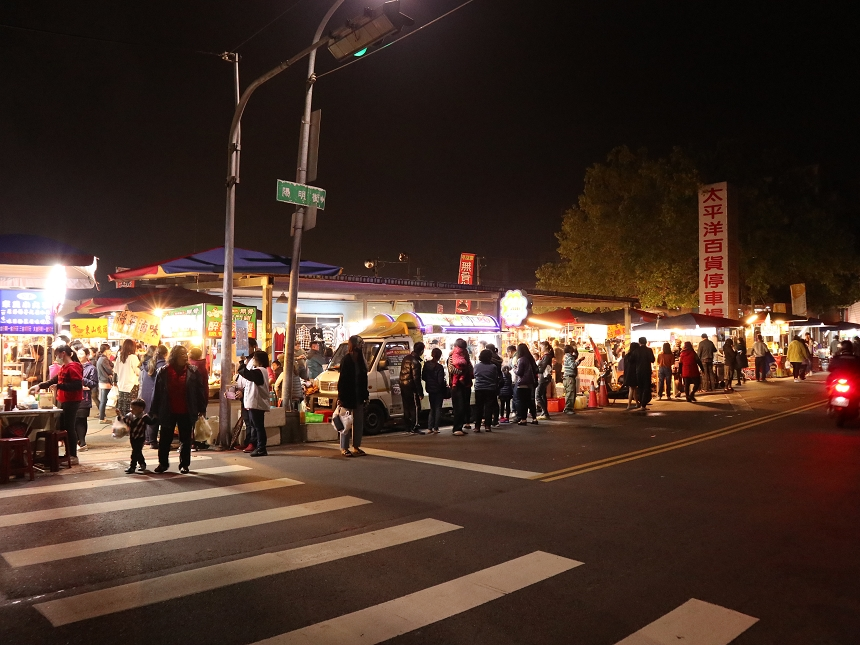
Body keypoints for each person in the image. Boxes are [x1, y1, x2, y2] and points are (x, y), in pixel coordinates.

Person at [150, 345, 208, 474]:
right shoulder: (163, 371)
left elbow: (200, 391)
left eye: (185, 353)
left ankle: (184, 465)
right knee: (165, 439)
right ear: (174, 356)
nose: (185, 356)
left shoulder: (193, 371)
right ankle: (163, 464)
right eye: (182, 354)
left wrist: (202, 408)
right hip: (168, 411)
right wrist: (153, 411)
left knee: (186, 440)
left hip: (187, 411)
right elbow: (157, 393)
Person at [32, 345, 83, 465]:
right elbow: (55, 379)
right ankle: (67, 454)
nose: (57, 358)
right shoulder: (64, 367)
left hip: (72, 401)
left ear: (63, 353)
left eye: (57, 355)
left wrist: (59, 386)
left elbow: (77, 385)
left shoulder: (73, 367)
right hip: (64, 400)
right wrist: (40, 385)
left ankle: (73, 456)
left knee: (69, 427)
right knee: (64, 426)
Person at [337, 335, 369, 456]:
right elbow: (342, 379)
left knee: (358, 422)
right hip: (348, 395)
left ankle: (356, 446)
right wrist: (340, 397)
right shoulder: (346, 359)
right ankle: (344, 447)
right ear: (354, 345)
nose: (361, 347)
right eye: (359, 344)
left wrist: (366, 395)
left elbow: (364, 379)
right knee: (346, 422)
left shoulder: (361, 360)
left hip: (359, 396)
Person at [237, 350, 271, 457]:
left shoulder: (260, 371)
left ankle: (261, 448)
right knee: (257, 426)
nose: (253, 361)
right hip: (256, 403)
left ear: (259, 360)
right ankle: (260, 447)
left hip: (257, 403)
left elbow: (245, 373)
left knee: (258, 427)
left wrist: (242, 363)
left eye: (254, 359)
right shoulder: (261, 371)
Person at [140, 344, 168, 447]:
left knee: (149, 416)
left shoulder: (150, 363)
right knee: (156, 418)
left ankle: (148, 439)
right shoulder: (162, 366)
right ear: (165, 354)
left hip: (146, 394)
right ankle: (153, 441)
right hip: (155, 395)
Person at [117, 398, 152, 473]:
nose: (131, 410)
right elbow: (124, 421)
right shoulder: (129, 415)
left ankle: (132, 467)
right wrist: (119, 415)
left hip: (140, 437)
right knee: (137, 451)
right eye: (131, 408)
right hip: (132, 437)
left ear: (141, 409)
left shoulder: (144, 417)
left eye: (134, 408)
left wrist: (156, 417)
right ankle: (142, 463)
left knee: (135, 452)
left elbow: (151, 422)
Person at [447, 338, 474, 436]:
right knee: (459, 407)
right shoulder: (451, 357)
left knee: (463, 406)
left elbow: (470, 367)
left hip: (465, 385)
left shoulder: (466, 356)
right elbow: (452, 370)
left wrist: (467, 370)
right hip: (457, 386)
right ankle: (457, 428)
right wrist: (463, 371)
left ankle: (459, 427)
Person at [399, 341, 426, 434]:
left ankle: (407, 427)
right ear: (421, 351)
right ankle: (415, 426)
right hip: (411, 387)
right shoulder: (416, 362)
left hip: (403, 385)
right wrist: (420, 392)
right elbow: (416, 379)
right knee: (415, 407)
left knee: (406, 407)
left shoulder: (406, 358)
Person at [76, 348, 98, 451]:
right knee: (75, 420)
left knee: (81, 419)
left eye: (81, 354)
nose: (79, 356)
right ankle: (79, 441)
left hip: (84, 398)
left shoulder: (91, 368)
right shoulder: (75, 366)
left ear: (87, 355)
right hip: (74, 397)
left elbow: (93, 383)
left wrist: (81, 379)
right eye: (78, 353)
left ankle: (83, 442)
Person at [473, 349, 500, 432]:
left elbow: (474, 375)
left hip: (479, 388)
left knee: (479, 407)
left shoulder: (477, 366)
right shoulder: (493, 367)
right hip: (490, 389)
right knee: (488, 408)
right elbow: (495, 377)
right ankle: (487, 426)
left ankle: (477, 426)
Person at [421, 347, 447, 434]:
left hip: (430, 389)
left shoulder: (426, 364)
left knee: (432, 408)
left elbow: (423, 377)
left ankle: (429, 427)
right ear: (439, 356)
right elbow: (440, 381)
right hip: (438, 390)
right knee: (438, 408)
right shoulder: (439, 367)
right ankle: (436, 428)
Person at [514, 343, 539, 425]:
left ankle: (523, 419)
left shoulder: (521, 360)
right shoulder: (530, 359)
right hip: (530, 383)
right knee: (530, 401)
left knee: (522, 402)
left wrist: (514, 369)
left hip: (522, 383)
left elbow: (519, 372)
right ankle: (534, 418)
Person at [114, 339, 140, 417]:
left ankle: (123, 425)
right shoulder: (133, 357)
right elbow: (138, 372)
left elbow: (116, 370)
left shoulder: (119, 357)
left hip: (121, 386)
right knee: (131, 409)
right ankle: (130, 426)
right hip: (131, 387)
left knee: (122, 408)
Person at [536, 341, 554, 420]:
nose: (541, 349)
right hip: (545, 377)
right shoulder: (547, 356)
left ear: (546, 346)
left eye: (542, 347)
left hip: (543, 377)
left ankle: (545, 413)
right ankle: (544, 412)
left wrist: (536, 368)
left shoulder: (547, 356)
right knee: (543, 395)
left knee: (538, 395)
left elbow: (542, 368)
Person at [636, 337, 655, 410]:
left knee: (640, 387)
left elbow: (632, 360)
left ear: (639, 342)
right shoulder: (649, 350)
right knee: (646, 387)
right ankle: (643, 405)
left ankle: (641, 403)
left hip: (638, 371)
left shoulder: (636, 350)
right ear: (646, 342)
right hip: (646, 371)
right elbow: (652, 360)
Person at [96, 343, 114, 421]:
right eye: (109, 349)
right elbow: (109, 369)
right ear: (105, 350)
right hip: (105, 381)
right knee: (103, 400)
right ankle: (102, 417)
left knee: (103, 400)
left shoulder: (101, 358)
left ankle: (102, 417)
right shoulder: (104, 359)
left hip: (102, 380)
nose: (110, 351)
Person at [562, 344, 580, 414]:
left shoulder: (568, 356)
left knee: (570, 393)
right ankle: (568, 409)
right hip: (569, 377)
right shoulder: (568, 356)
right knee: (570, 393)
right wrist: (579, 361)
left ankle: (569, 408)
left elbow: (574, 357)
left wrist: (576, 352)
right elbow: (573, 365)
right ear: (569, 350)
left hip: (568, 377)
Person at [624, 342, 640, 411]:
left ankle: (637, 403)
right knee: (632, 389)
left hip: (627, 374)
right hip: (633, 374)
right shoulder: (635, 356)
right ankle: (629, 405)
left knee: (633, 389)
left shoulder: (627, 355)